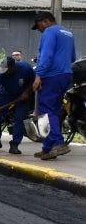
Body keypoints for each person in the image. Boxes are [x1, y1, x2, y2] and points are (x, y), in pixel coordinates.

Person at [31, 11, 77, 160]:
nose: (39, 30)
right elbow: (72, 57)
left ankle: (58, 143)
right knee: (54, 111)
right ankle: (48, 148)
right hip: (66, 75)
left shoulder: (49, 32)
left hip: (52, 76)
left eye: (38, 26)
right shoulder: (68, 33)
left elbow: (47, 55)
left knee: (45, 110)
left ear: (45, 21)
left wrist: (39, 75)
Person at [0, 56, 35, 154]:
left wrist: (27, 91)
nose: (3, 72)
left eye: (6, 70)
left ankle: (14, 144)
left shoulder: (26, 68)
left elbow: (33, 81)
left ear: (13, 67)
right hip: (6, 94)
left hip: (23, 95)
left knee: (19, 119)